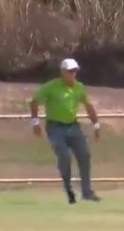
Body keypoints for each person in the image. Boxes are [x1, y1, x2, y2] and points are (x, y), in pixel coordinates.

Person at [30, 58, 101, 204]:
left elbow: (88, 106)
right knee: (64, 156)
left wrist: (96, 124)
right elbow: (35, 101)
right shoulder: (52, 87)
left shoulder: (79, 87)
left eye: (75, 71)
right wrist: (35, 122)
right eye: (70, 71)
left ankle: (87, 192)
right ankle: (69, 190)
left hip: (73, 126)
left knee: (84, 155)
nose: (73, 74)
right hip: (55, 127)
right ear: (63, 72)